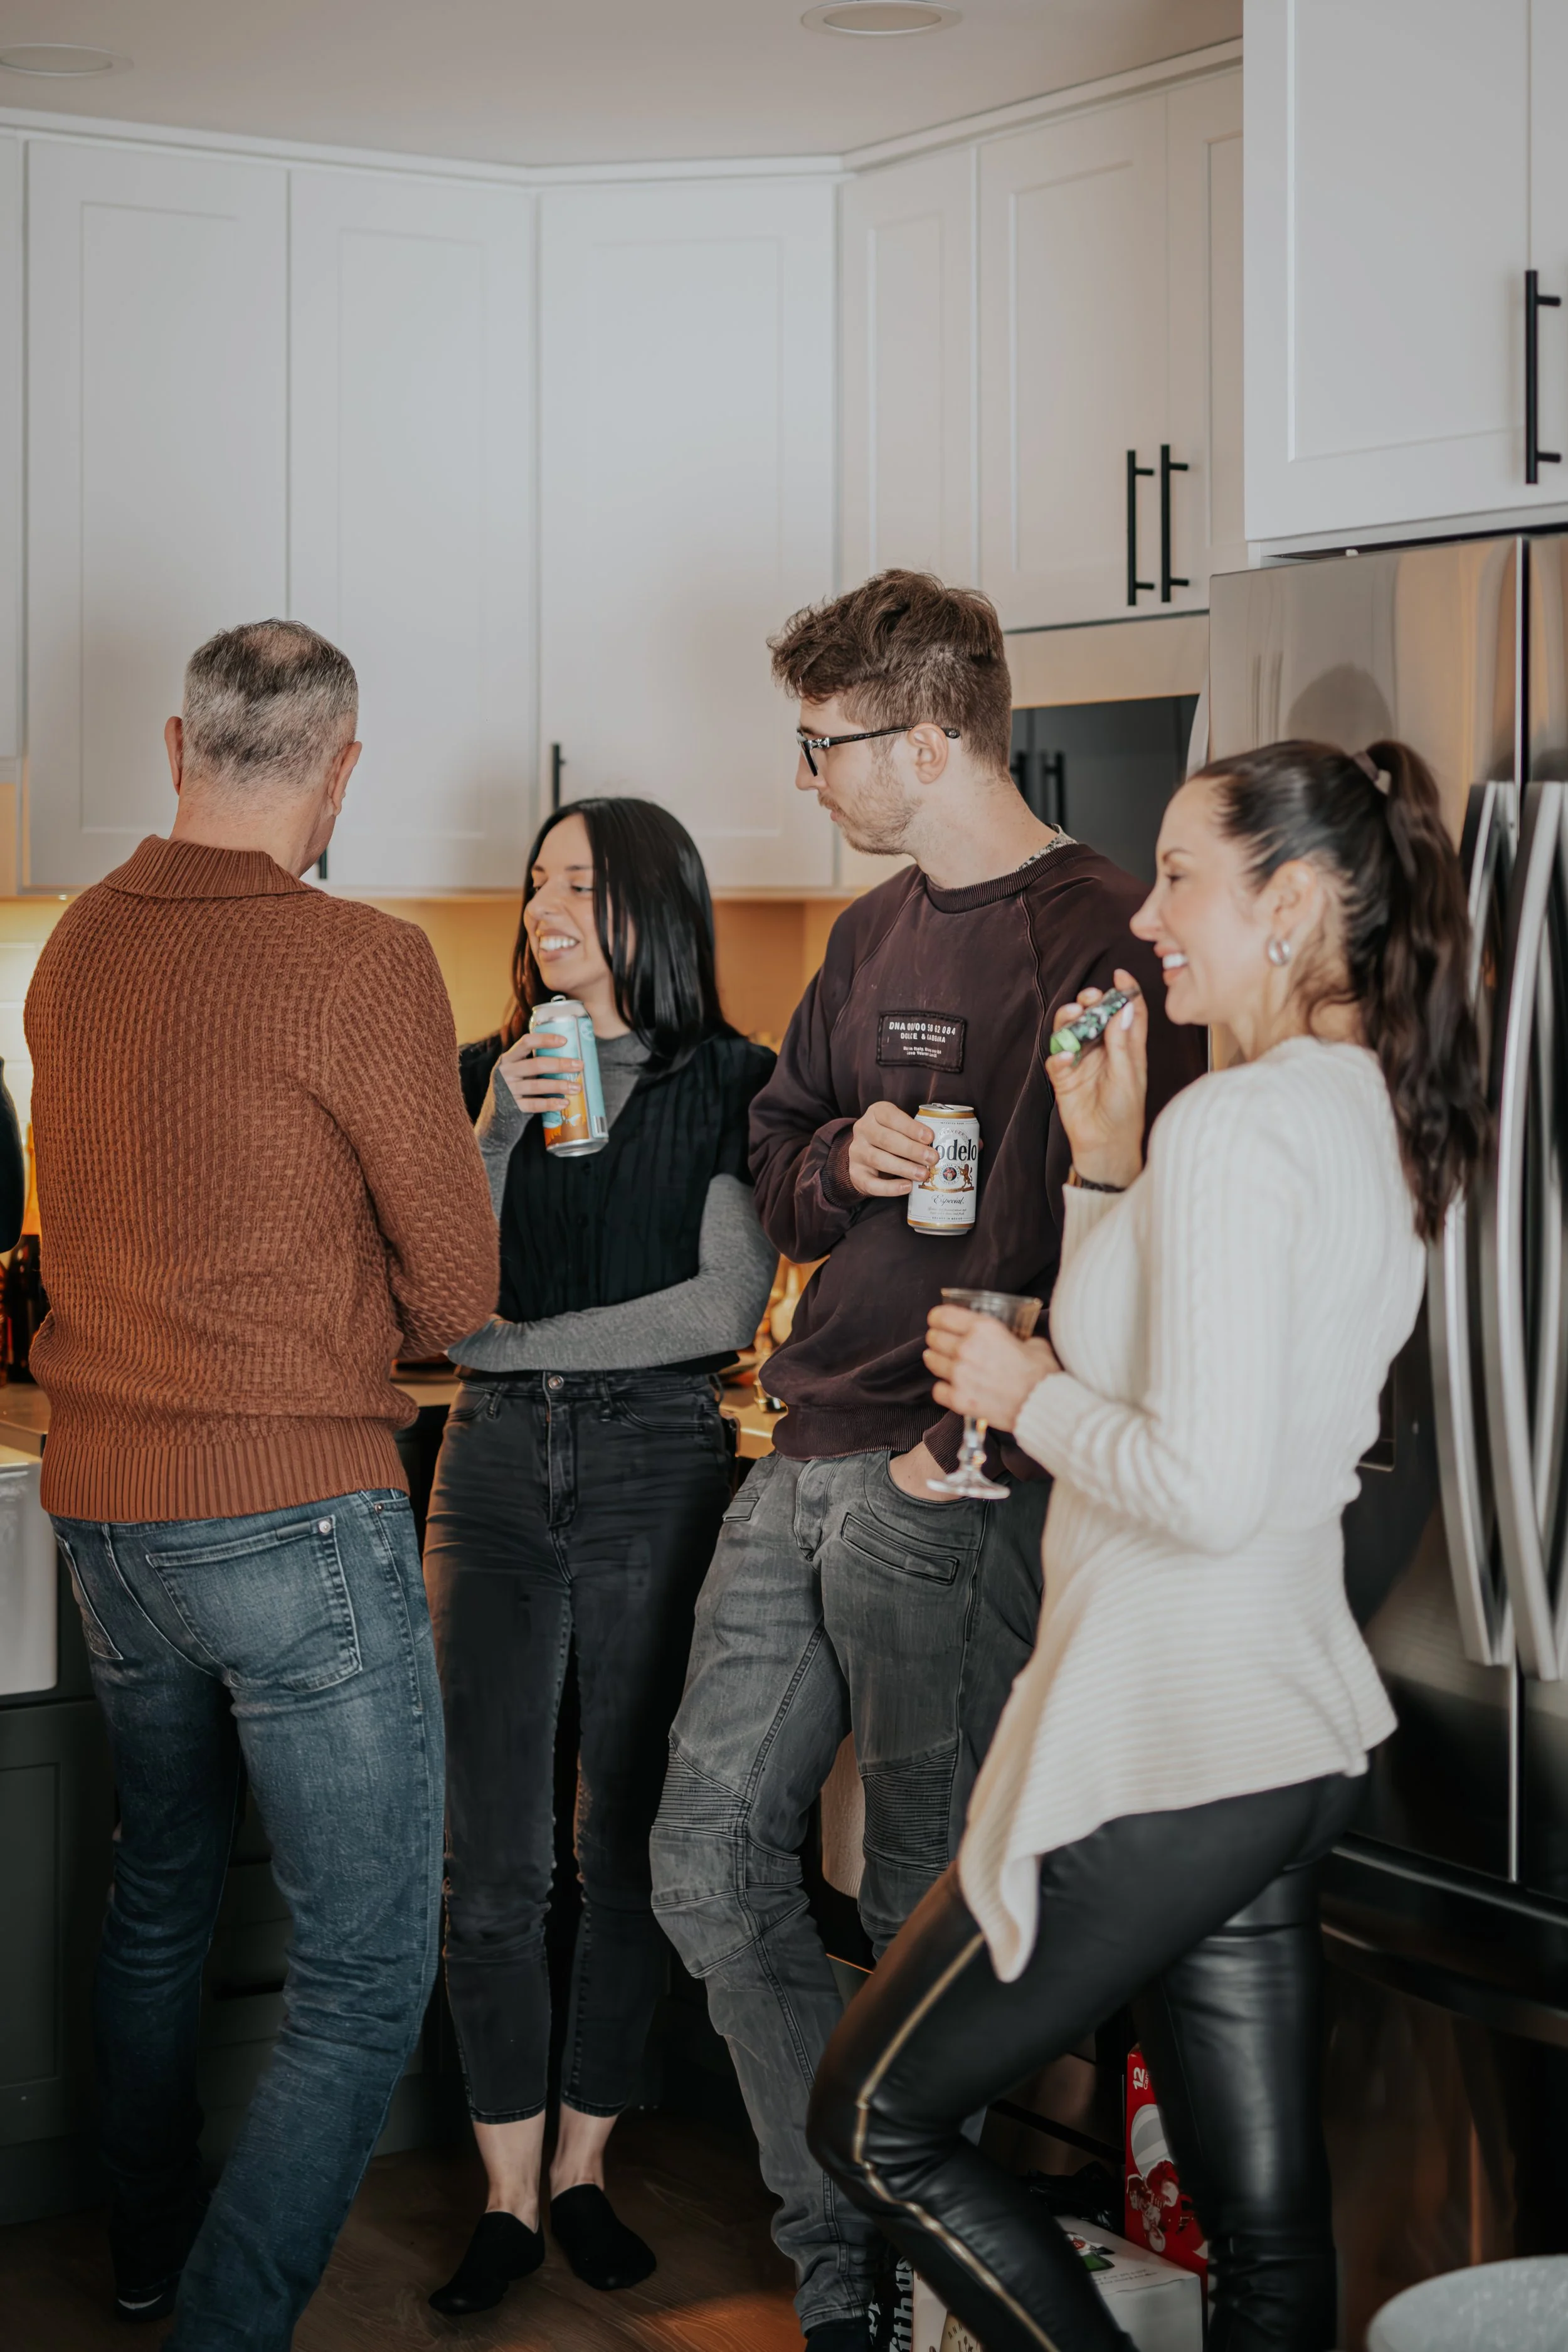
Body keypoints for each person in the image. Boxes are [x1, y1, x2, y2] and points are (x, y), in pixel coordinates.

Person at [808, 738, 1488, 2352]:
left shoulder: (1241, 1126)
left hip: (1166, 1740)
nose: (1147, 912)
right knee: (1265, 2239)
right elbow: (1201, 1389)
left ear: (1292, 902)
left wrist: (1020, 1392)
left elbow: (1198, 1481)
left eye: (1180, 876)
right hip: (1278, 1735)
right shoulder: (1361, 1110)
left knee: (874, 2124)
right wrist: (1105, 1163)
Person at [649, 570, 1205, 2350]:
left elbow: (1132, 1239)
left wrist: (963, 1443)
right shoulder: (868, 932)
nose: (807, 774)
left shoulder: (1103, 935)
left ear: (933, 736)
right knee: (699, 1864)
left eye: (827, 743)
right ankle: (853, 2263)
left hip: (951, 1484)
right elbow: (777, 1156)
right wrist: (847, 1161)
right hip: (805, 1444)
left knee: (914, 1916)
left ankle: (904, 2282)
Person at [24, 621, 497, 2348]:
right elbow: (459, 1293)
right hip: (291, 1506)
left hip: (108, 1514)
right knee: (365, 1971)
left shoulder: (75, 943)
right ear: (341, 770)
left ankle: (148, 2258)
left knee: (158, 1887)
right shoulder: (363, 961)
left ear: (179, 747)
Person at [423, 796, 777, 2319]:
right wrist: (495, 1126)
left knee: (618, 1837)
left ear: (652, 904)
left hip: (655, 1459)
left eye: (577, 879)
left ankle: (584, 2169)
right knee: (490, 1857)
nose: (543, 905)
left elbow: (720, 1307)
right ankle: (507, 2198)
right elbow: (439, 1296)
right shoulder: (474, 1077)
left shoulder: (739, 1083)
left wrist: (516, 1345)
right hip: (491, 1469)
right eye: (534, 882)